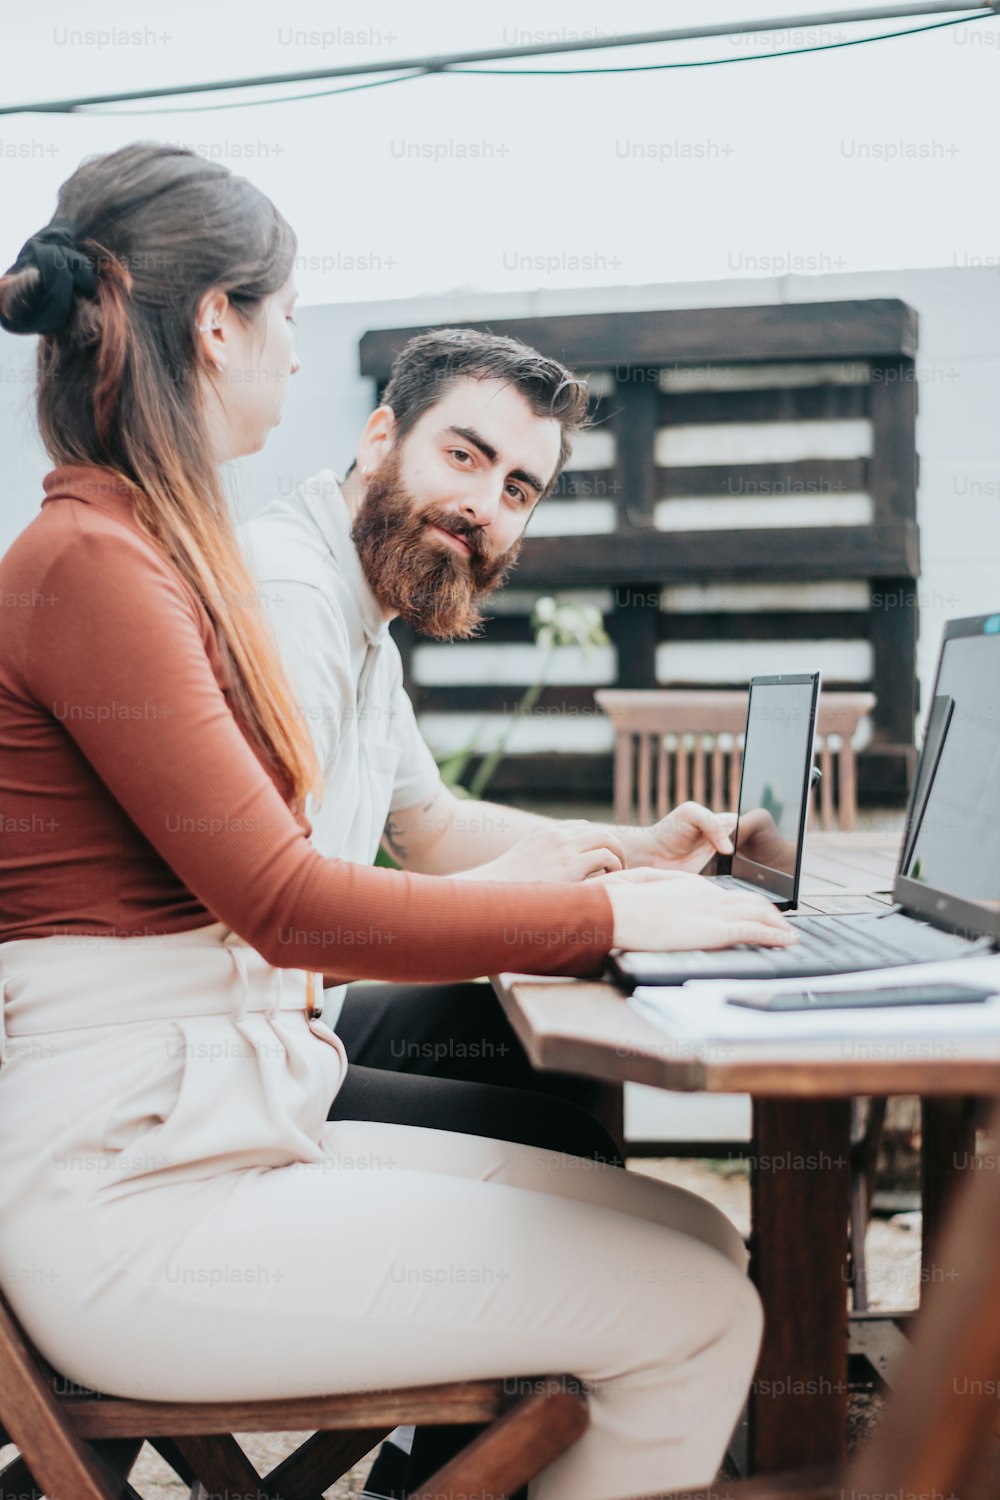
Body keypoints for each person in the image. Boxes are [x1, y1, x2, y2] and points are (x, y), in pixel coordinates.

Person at [0, 143, 795, 1500]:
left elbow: (379, 841)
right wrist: (610, 911)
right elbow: (293, 902)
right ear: (216, 325)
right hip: (139, 1199)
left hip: (205, 1137)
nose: (299, 359)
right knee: (699, 1309)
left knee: (701, 1250)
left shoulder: (133, 553)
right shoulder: (94, 567)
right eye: (290, 318)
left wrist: (613, 873)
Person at [239, 329, 740, 1123]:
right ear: (380, 440)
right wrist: (533, 900)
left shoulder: (360, 611)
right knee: (560, 1129)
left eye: (517, 490)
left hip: (294, 1023)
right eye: (465, 457)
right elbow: (282, 924)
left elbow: (429, 830)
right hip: (234, 1062)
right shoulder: (292, 597)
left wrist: (630, 850)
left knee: (574, 1050)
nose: (483, 507)